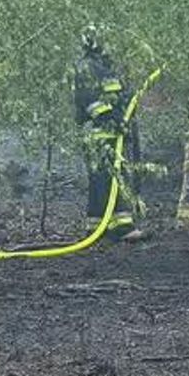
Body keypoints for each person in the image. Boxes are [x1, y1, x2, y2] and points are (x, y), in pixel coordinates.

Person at [72, 29, 141, 228]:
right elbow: (89, 99)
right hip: (98, 134)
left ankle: (96, 225)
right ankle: (121, 227)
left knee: (102, 181)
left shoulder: (106, 66)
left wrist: (125, 114)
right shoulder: (86, 67)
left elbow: (120, 97)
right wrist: (111, 118)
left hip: (111, 134)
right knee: (107, 179)